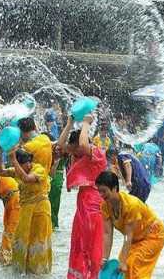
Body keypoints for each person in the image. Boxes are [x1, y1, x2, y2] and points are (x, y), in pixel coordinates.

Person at [58, 115, 107, 279]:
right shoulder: (79, 154)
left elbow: (84, 144)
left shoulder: (96, 153)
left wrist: (86, 124)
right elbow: (60, 145)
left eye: (74, 149)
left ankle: (93, 276)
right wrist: (69, 123)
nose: (72, 152)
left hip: (94, 205)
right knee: (79, 244)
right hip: (83, 206)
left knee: (93, 246)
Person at [97, 171, 164, 279]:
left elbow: (127, 236)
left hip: (153, 235)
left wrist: (123, 261)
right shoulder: (105, 206)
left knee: (132, 265)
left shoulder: (131, 205)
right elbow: (107, 234)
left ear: (114, 188)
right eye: (99, 191)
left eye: (104, 191)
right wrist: (104, 259)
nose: (101, 195)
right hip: (135, 238)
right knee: (121, 269)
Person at [0, 147, 52, 274]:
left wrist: (14, 160)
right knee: (20, 239)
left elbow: (27, 178)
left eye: (25, 164)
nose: (25, 167)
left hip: (40, 209)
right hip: (25, 209)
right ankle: (19, 271)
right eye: (21, 165)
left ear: (29, 162)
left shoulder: (39, 169)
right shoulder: (17, 170)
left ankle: (38, 273)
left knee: (38, 240)